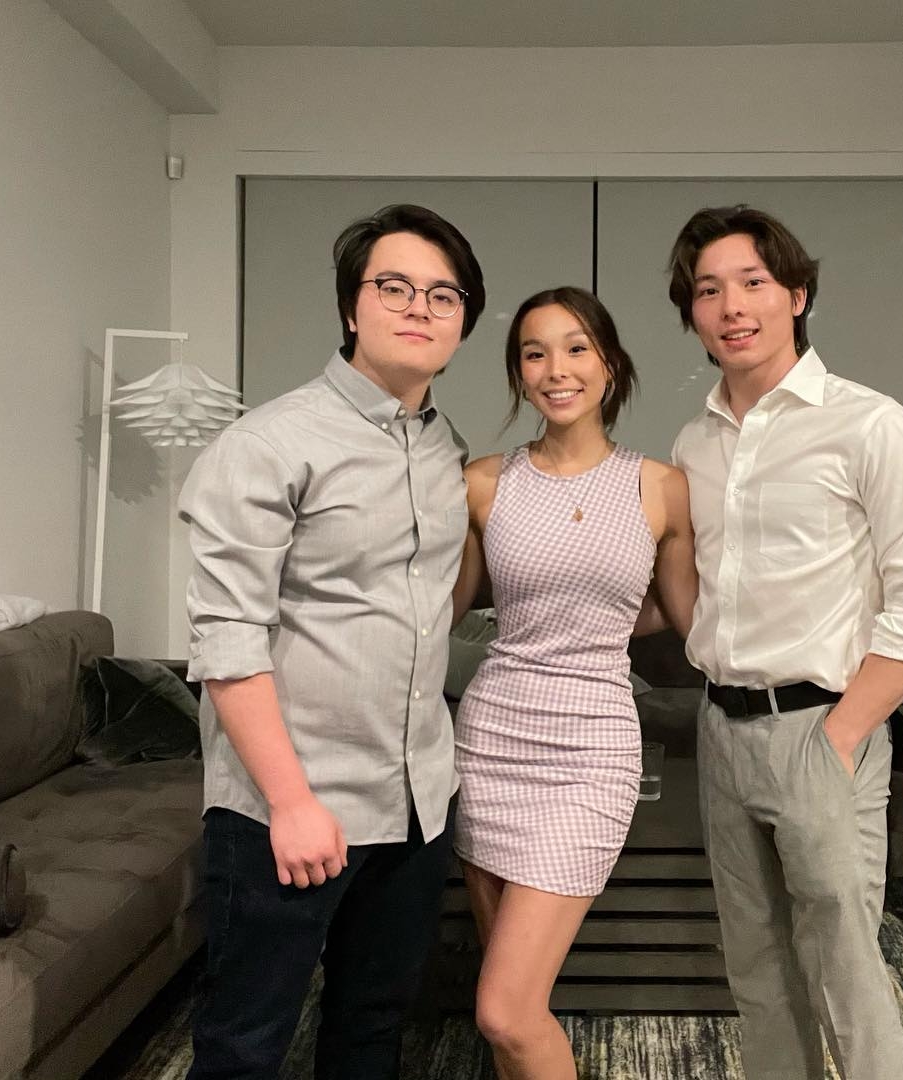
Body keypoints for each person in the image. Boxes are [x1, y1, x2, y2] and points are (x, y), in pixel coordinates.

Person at [178, 203, 486, 1080]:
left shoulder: (444, 446)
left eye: (443, 294)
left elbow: (430, 604)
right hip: (292, 805)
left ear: (462, 322)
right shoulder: (267, 444)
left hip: (416, 798)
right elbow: (228, 641)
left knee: (372, 1029)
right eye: (394, 287)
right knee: (245, 1043)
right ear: (352, 306)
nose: (419, 307)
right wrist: (291, 803)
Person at [665, 206, 903, 1080]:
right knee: (756, 973)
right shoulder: (694, 442)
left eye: (753, 282)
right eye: (708, 290)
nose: (731, 306)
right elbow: (699, 589)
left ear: (797, 294)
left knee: (846, 975)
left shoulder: (873, 426)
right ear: (691, 313)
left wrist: (839, 738)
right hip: (721, 729)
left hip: (823, 728)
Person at [450, 286, 698, 1079]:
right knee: (508, 1012)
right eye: (535, 353)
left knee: (504, 1010)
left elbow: (687, 616)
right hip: (490, 742)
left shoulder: (660, 486)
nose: (557, 368)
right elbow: (441, 611)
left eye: (577, 348)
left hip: (592, 749)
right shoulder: (483, 484)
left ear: (611, 364)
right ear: (519, 374)